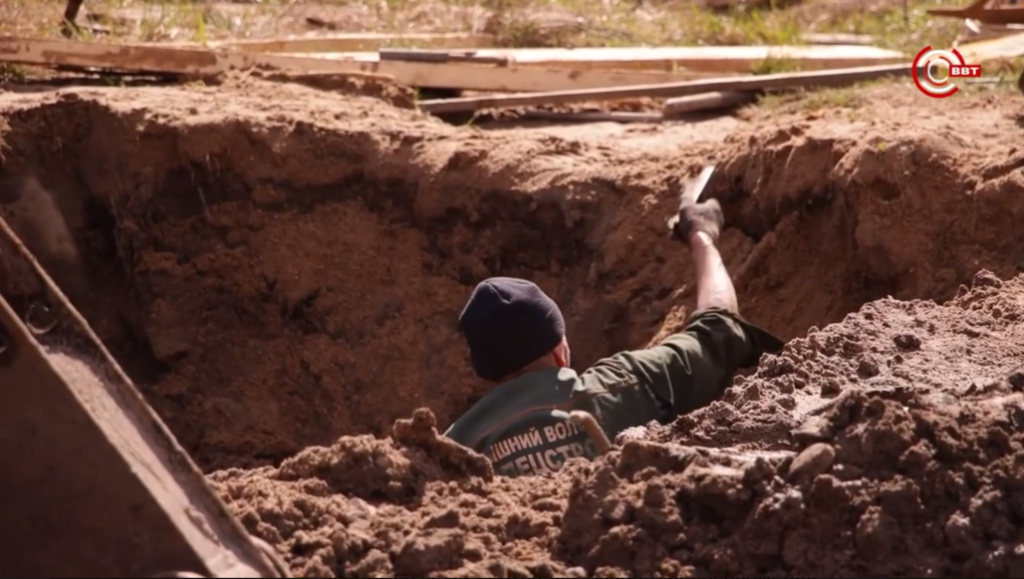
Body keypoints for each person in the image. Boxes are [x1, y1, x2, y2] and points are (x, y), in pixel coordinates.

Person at [443, 196, 784, 477]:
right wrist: (701, 236)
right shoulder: (621, 385)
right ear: (561, 352)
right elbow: (718, 325)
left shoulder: (452, 447)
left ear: (486, 372)